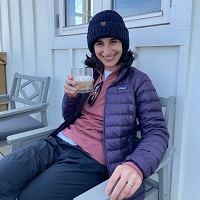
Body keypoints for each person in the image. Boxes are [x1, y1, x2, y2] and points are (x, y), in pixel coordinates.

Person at [0, 10, 169, 200]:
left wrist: (136, 165)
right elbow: (69, 116)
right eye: (99, 44)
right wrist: (71, 97)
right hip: (57, 142)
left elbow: (157, 131)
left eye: (113, 41)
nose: (106, 51)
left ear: (123, 43)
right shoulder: (91, 75)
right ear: (93, 47)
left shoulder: (138, 81)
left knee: (31, 197)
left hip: (90, 159)